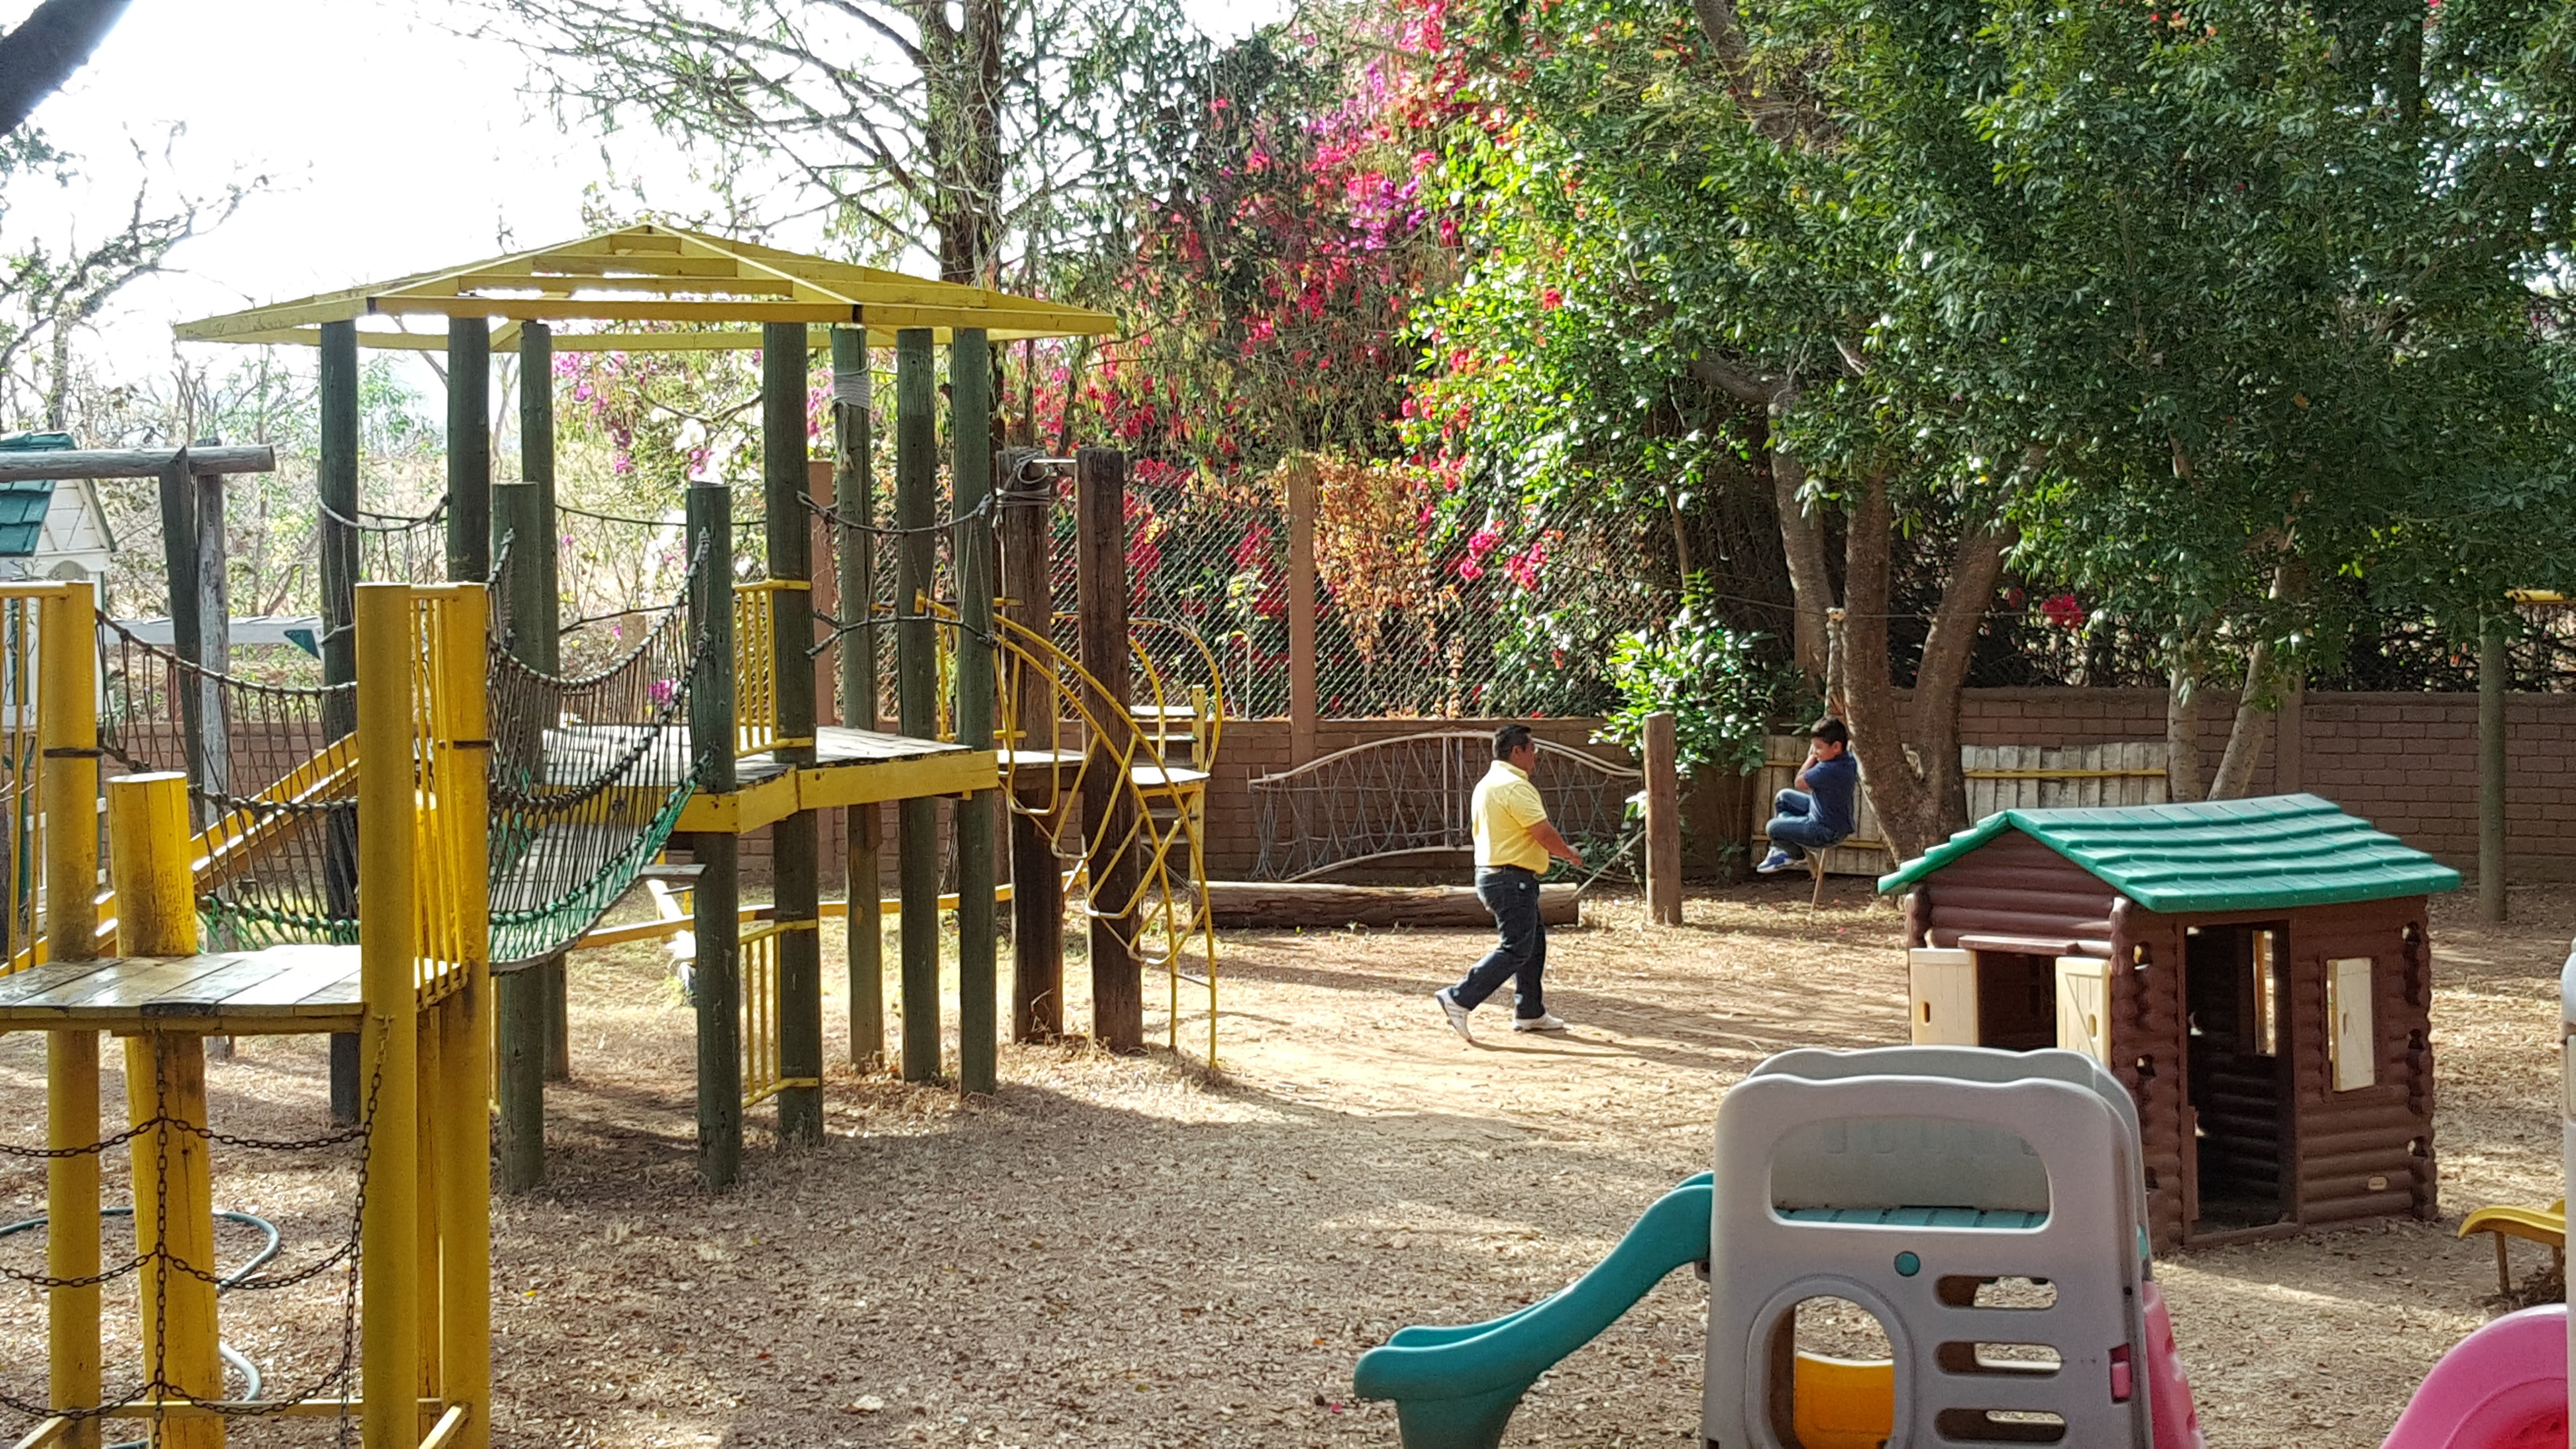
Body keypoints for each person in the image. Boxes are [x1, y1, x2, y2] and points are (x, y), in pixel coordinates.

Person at [1434, 724, 1584, 1042]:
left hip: (1498, 876)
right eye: (1532, 749)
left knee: (1533, 944)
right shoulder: (1515, 786)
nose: (1536, 756)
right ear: (1517, 751)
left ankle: (1530, 1011)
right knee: (1516, 947)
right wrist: (1568, 854)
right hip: (1510, 878)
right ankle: (1459, 997)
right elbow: (1541, 831)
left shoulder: (1488, 783)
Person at [1757, 717, 1857, 874]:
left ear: (1836, 747)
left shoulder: (1828, 770)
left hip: (1826, 831)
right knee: (1784, 798)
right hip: (1822, 813)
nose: (1816, 751)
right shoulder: (1848, 759)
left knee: (1772, 828)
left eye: (1819, 747)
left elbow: (1800, 782)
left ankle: (1794, 854)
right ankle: (1782, 846)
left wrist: (1811, 758)